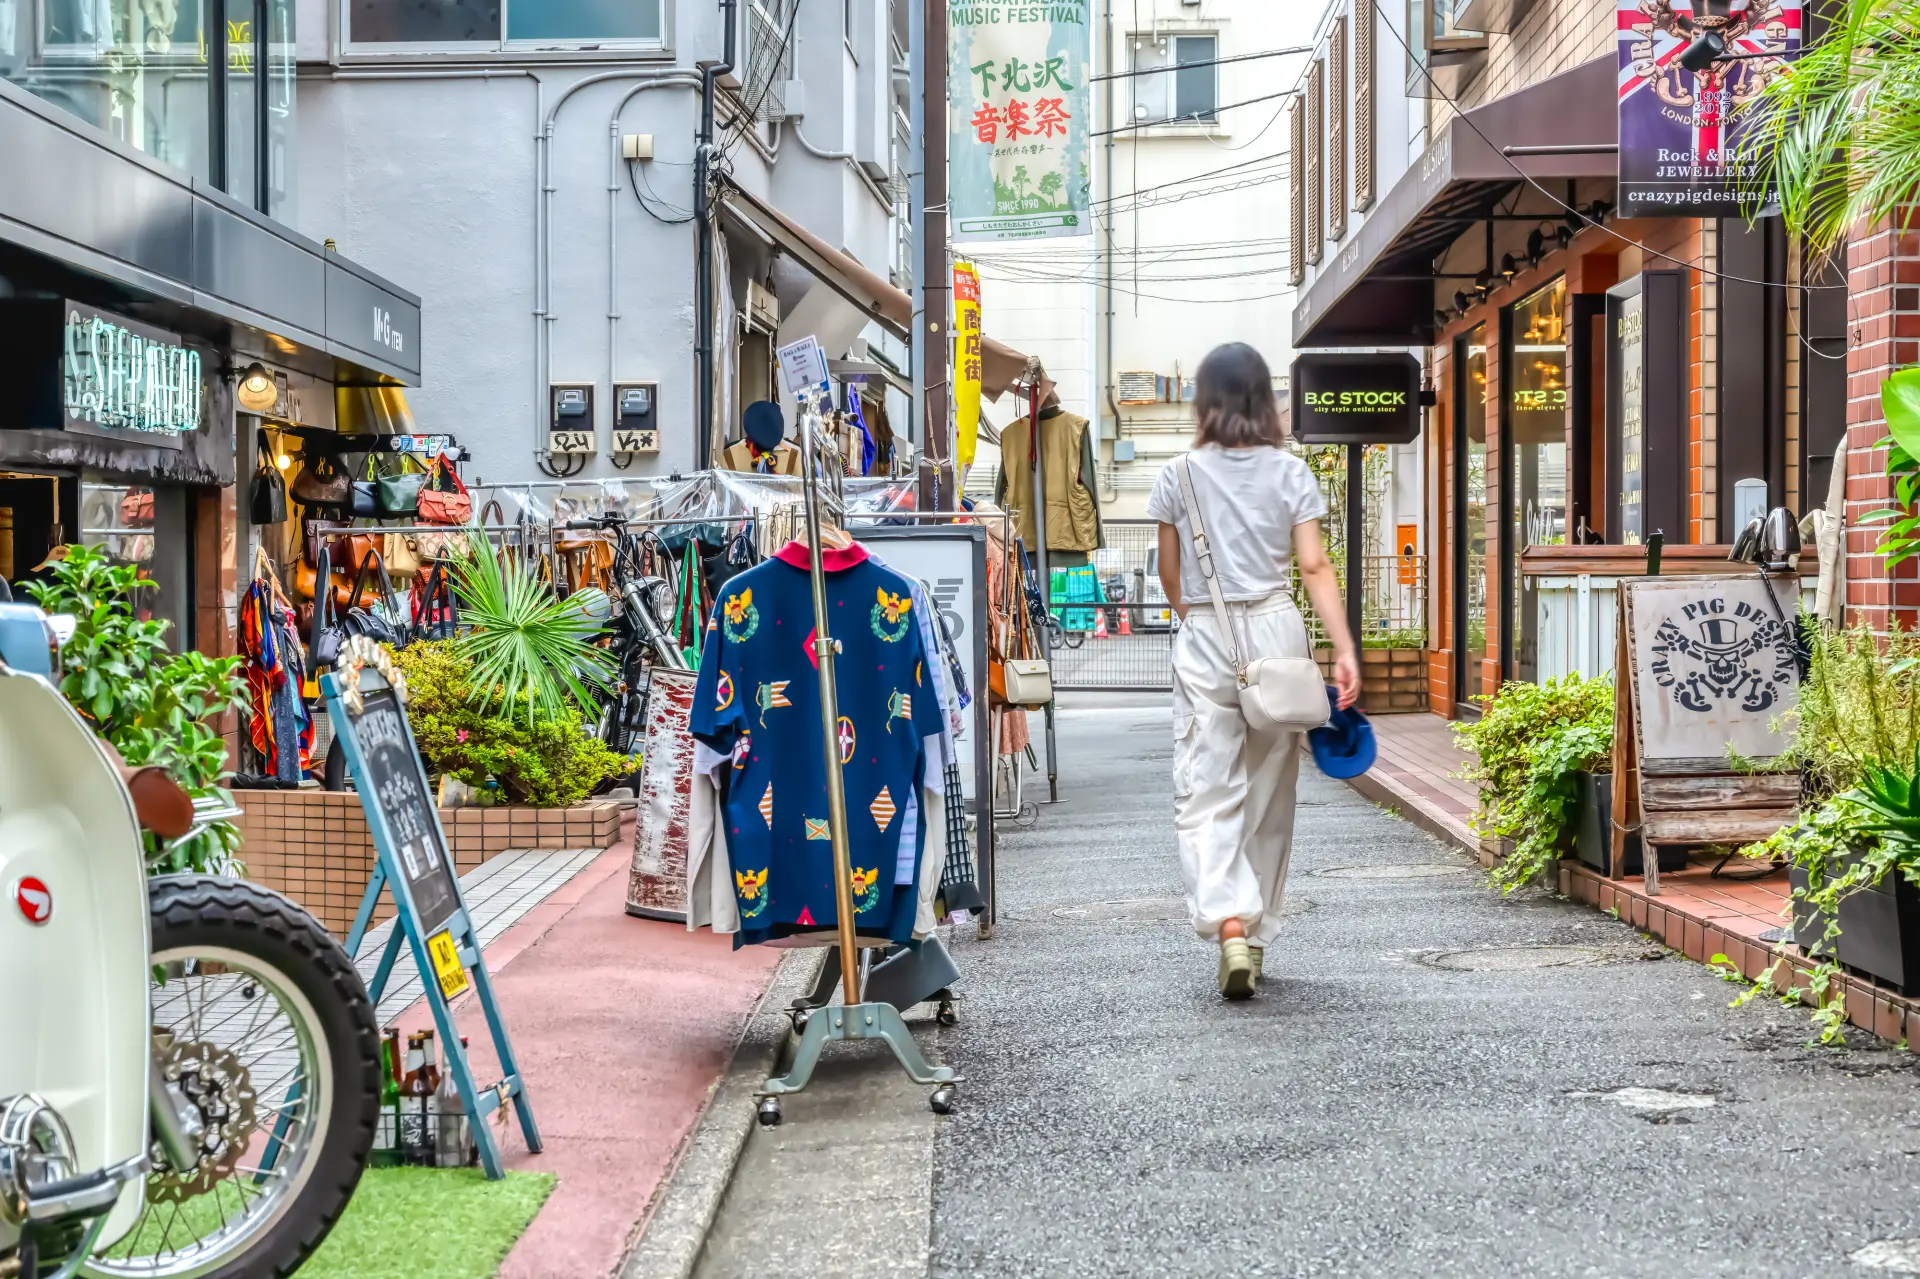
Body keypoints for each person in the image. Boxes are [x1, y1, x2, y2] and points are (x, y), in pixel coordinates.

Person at [1146, 342, 1361, 1000]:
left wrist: (1199, 619)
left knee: (1207, 787)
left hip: (1208, 631)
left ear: (1204, 401)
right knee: (1270, 790)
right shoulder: (1291, 472)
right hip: (1276, 627)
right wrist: (1343, 646)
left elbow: (1169, 573)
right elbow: (1316, 567)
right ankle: (1258, 936)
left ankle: (1229, 922)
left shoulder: (1176, 474)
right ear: (1264, 400)